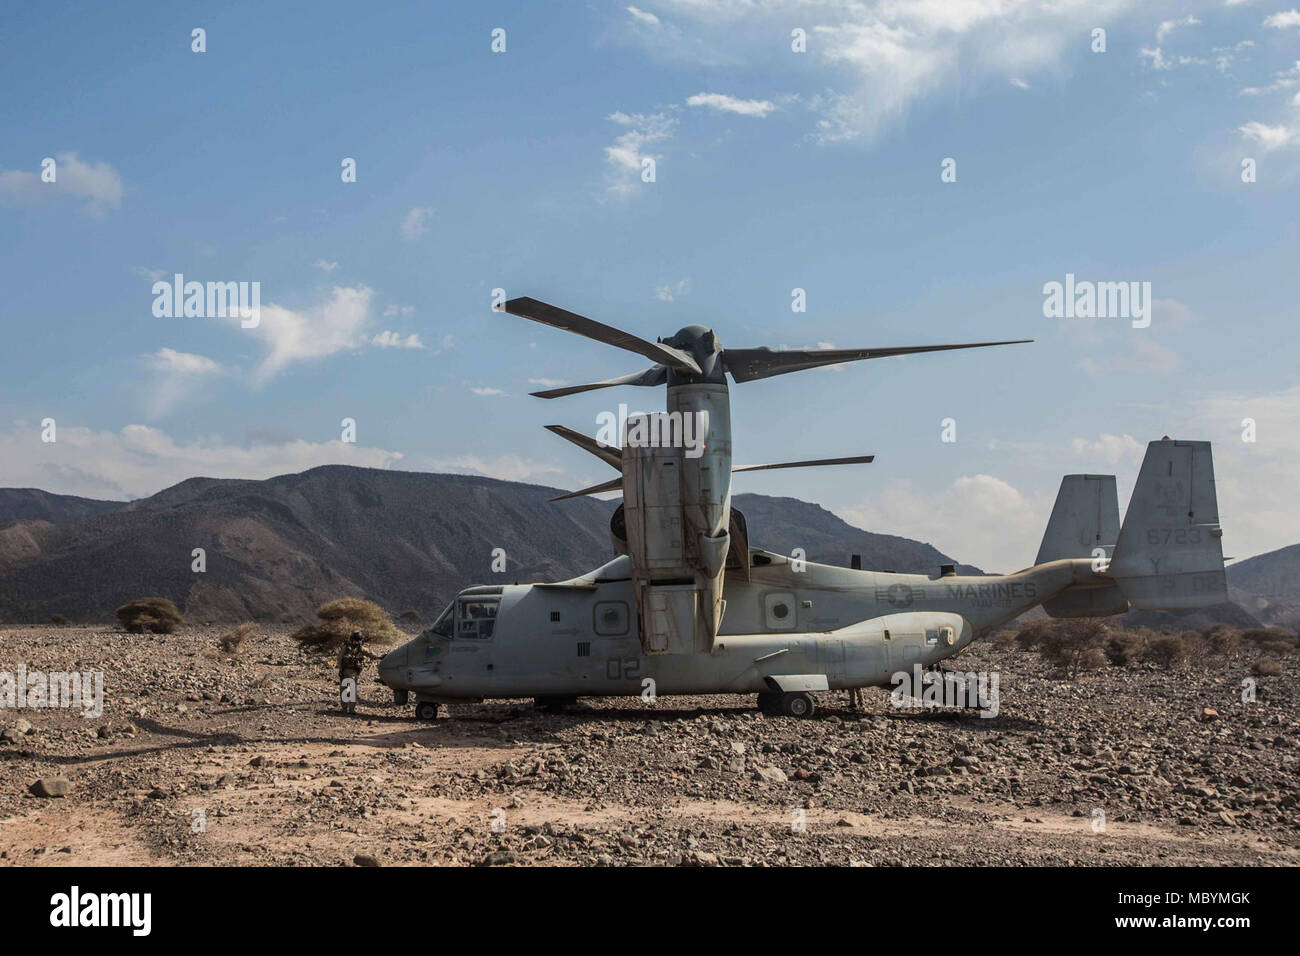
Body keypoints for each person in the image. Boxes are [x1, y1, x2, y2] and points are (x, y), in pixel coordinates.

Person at [337, 631, 376, 714]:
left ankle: (349, 709)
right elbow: (340, 658)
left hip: (353, 672)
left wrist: (378, 657)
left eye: (358, 640)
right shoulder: (346, 647)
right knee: (346, 690)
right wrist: (340, 670)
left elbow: (369, 653)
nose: (357, 642)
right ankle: (347, 709)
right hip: (346, 671)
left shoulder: (359, 648)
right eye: (356, 640)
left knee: (349, 690)